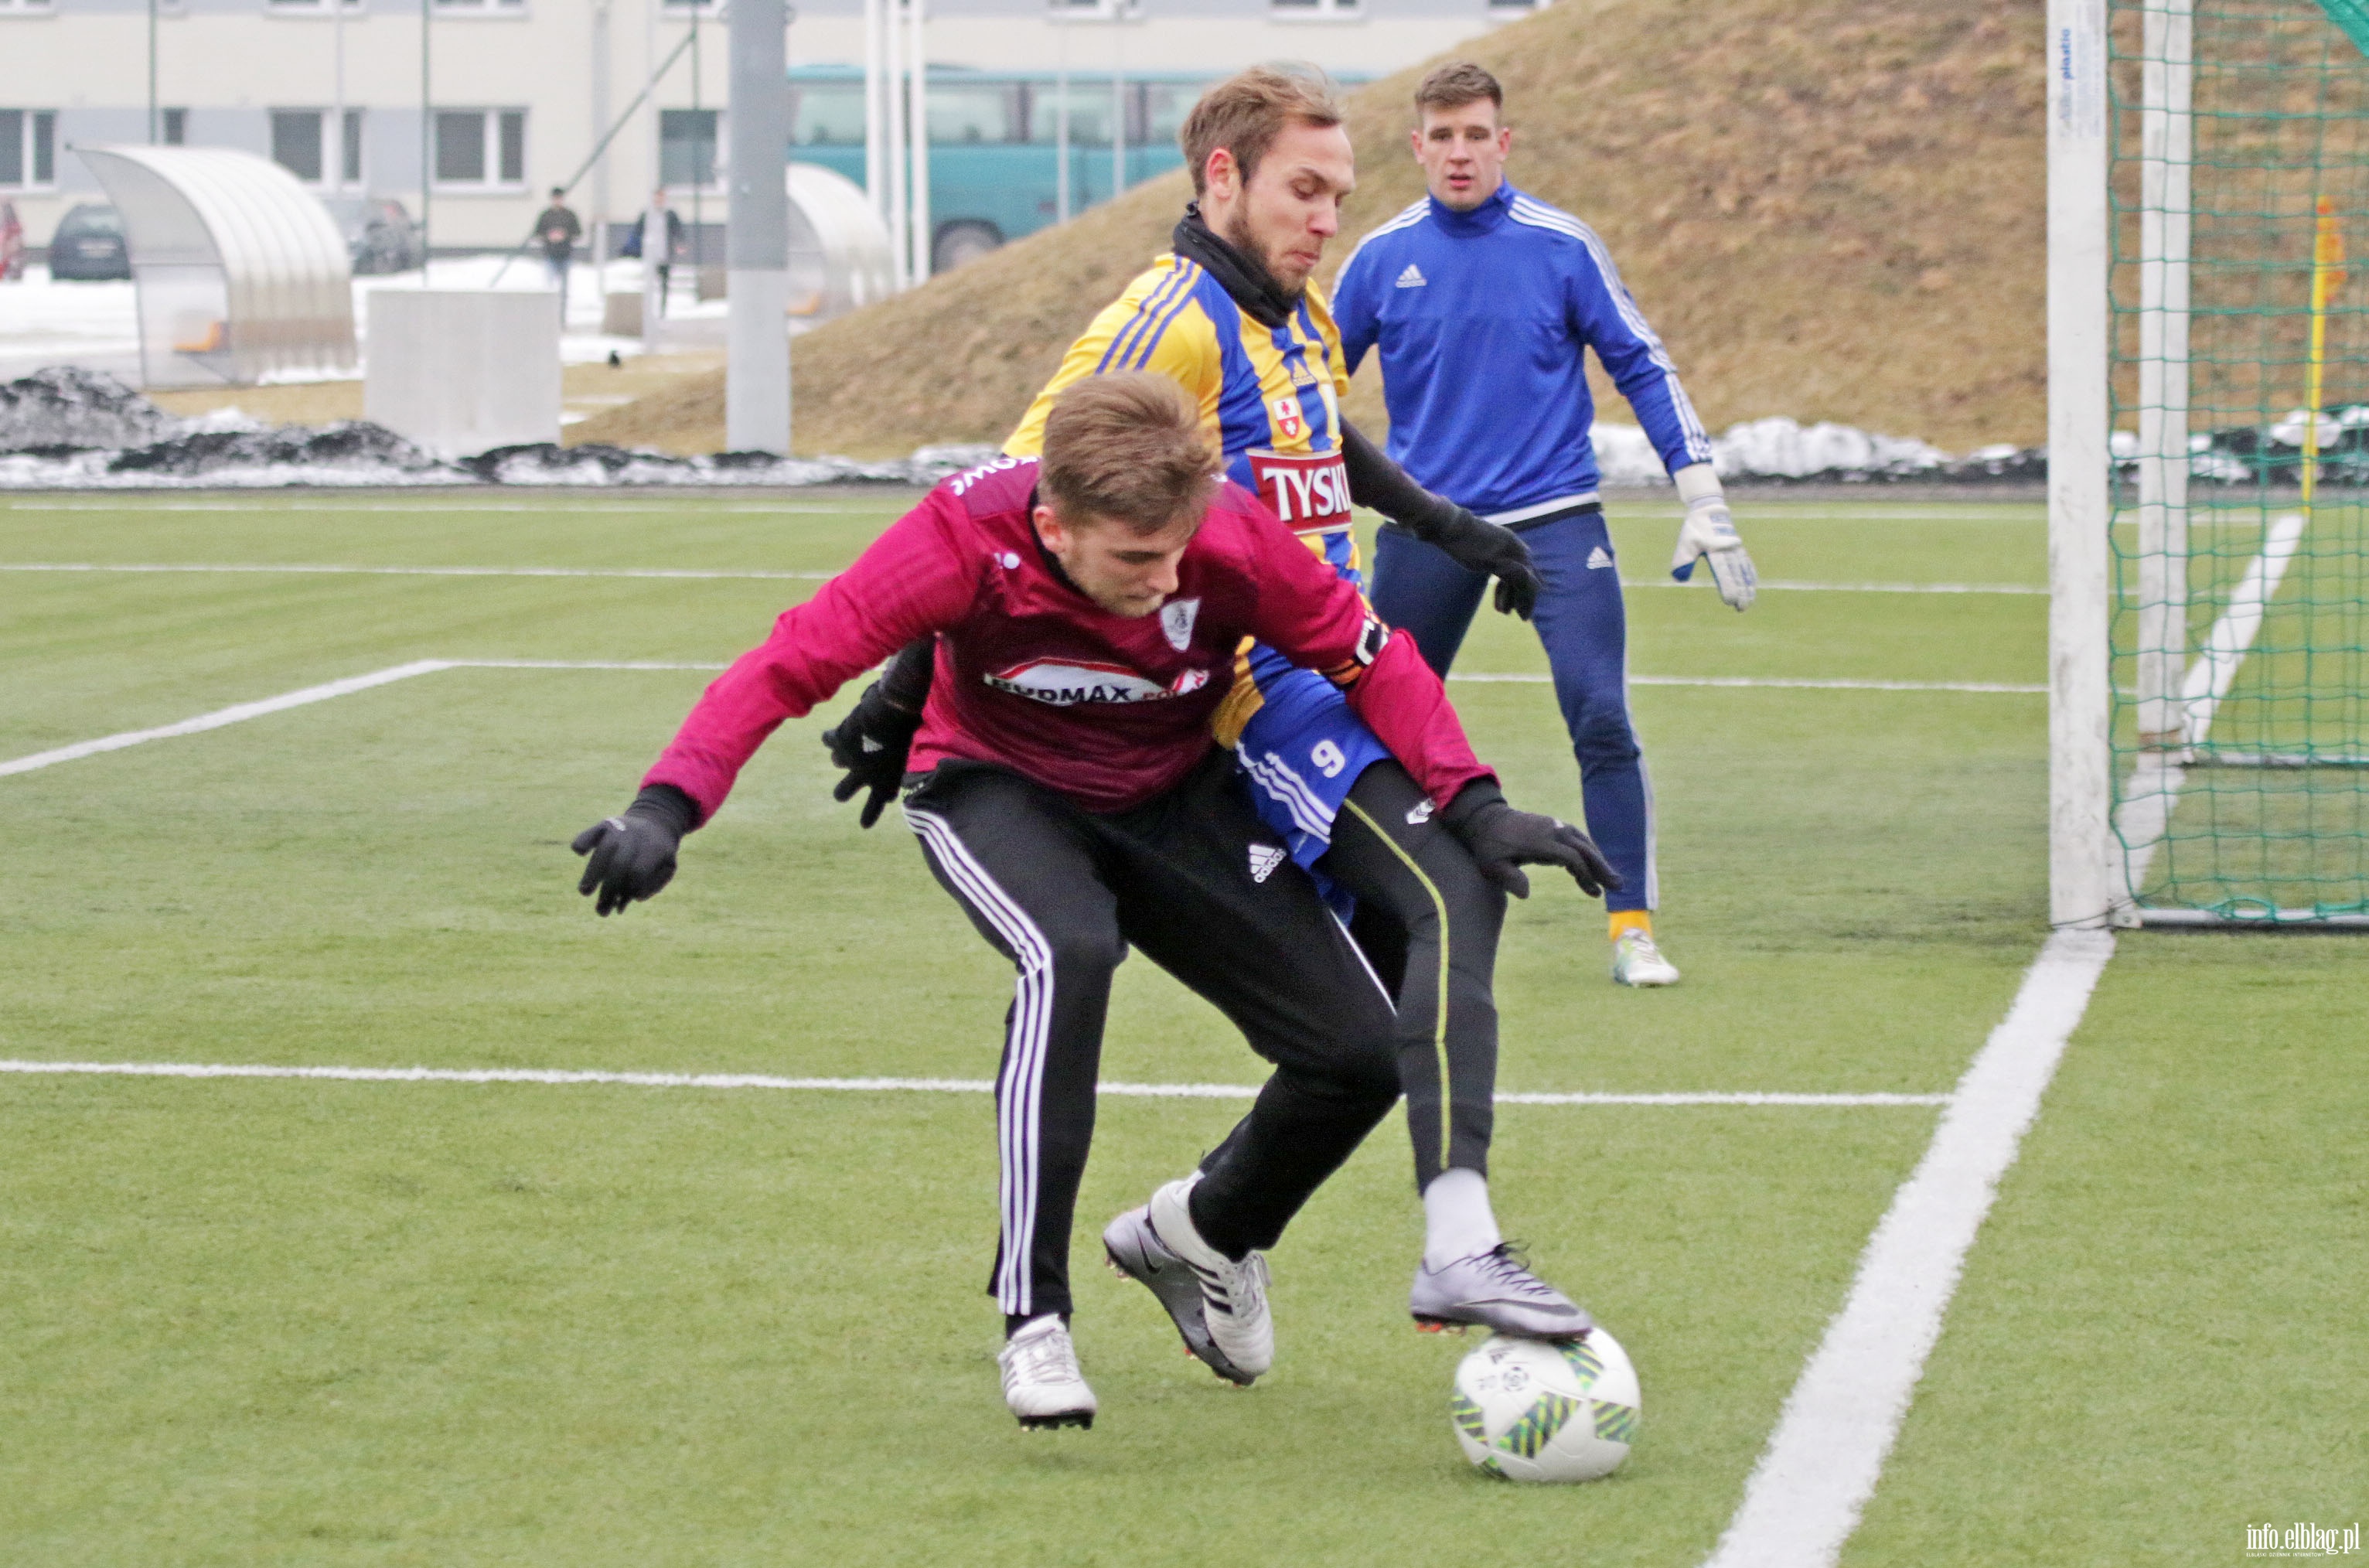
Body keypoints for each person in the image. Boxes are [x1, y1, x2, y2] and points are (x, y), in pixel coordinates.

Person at [571, 373, 1614, 1429]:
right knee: (1069, 949)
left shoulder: (1226, 539)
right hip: (993, 787)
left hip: (1170, 795)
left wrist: (1475, 807)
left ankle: (1195, 1236)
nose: (1166, 581)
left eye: (1176, 552)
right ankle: (1035, 1318)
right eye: (1133, 559)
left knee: (1355, 1052)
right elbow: (790, 662)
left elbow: (1370, 656)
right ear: (1056, 522)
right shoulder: (959, 537)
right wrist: (666, 806)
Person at [827, 66, 1597, 1358]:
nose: (1327, 219)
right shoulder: (1163, 321)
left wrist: (1438, 522)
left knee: (1355, 1043)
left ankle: (1197, 1229)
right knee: (1454, 889)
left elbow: (1312, 437)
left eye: (1342, 196)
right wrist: (909, 686)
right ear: (1220, 179)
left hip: (1328, 660)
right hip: (1256, 692)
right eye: (1305, 190)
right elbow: (1021, 501)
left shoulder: (1283, 310)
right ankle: (1458, 1240)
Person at [1333, 62, 1760, 990]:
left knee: (1600, 713)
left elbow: (1641, 363)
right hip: (1433, 526)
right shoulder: (1380, 256)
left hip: (1555, 518)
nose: (1458, 152)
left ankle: (1631, 927)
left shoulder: (1560, 245)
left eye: (1475, 135)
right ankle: (1365, 915)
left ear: (1503, 141)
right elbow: (1305, 390)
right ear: (1416, 146)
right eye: (1440, 136)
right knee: (1373, 721)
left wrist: (1701, 494)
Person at [624, 189, 684, 316]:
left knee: (664, 283)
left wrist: (680, 243)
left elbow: (677, 230)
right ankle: (648, 310)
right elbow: (637, 231)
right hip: (649, 254)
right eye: (657, 198)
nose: (659, 201)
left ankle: (662, 311)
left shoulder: (670, 214)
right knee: (649, 283)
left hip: (664, 253)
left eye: (661, 198)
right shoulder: (647, 214)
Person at [533, 187, 582, 317]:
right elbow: (538, 233)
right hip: (550, 255)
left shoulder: (569, 216)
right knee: (549, 288)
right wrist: (549, 236)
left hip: (565, 255)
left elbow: (578, 233)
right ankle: (549, 316)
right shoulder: (546, 216)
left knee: (564, 291)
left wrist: (565, 235)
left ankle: (561, 317)